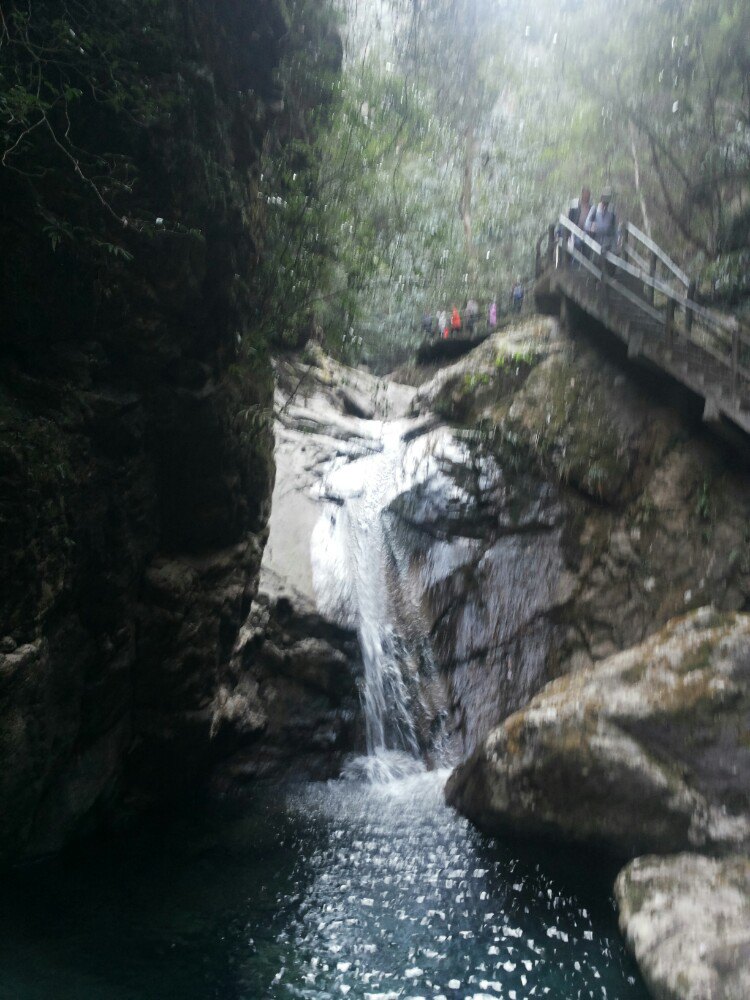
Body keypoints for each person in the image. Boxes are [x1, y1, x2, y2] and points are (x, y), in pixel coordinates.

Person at [585, 186, 617, 253]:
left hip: (608, 242)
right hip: (596, 242)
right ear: (601, 197)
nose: (606, 200)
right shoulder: (595, 208)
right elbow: (586, 225)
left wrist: (616, 241)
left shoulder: (612, 210)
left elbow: (614, 229)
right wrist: (591, 226)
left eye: (608, 198)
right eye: (605, 197)